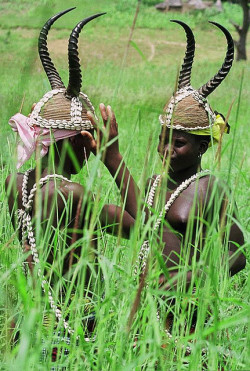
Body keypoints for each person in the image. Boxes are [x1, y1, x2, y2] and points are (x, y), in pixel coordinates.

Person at [86, 21, 246, 336]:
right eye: (163, 139)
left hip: (190, 316)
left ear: (203, 146)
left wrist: (193, 274)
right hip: (147, 311)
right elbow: (144, 228)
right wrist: (88, 207)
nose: (166, 149)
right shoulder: (154, 185)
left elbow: (238, 254)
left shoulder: (211, 187)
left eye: (179, 142)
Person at [5, 9, 107, 343]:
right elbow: (140, 222)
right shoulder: (73, 194)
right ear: (78, 140)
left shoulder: (14, 183)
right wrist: (113, 155)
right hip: (70, 323)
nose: (90, 151)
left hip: (28, 316)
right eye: (88, 142)